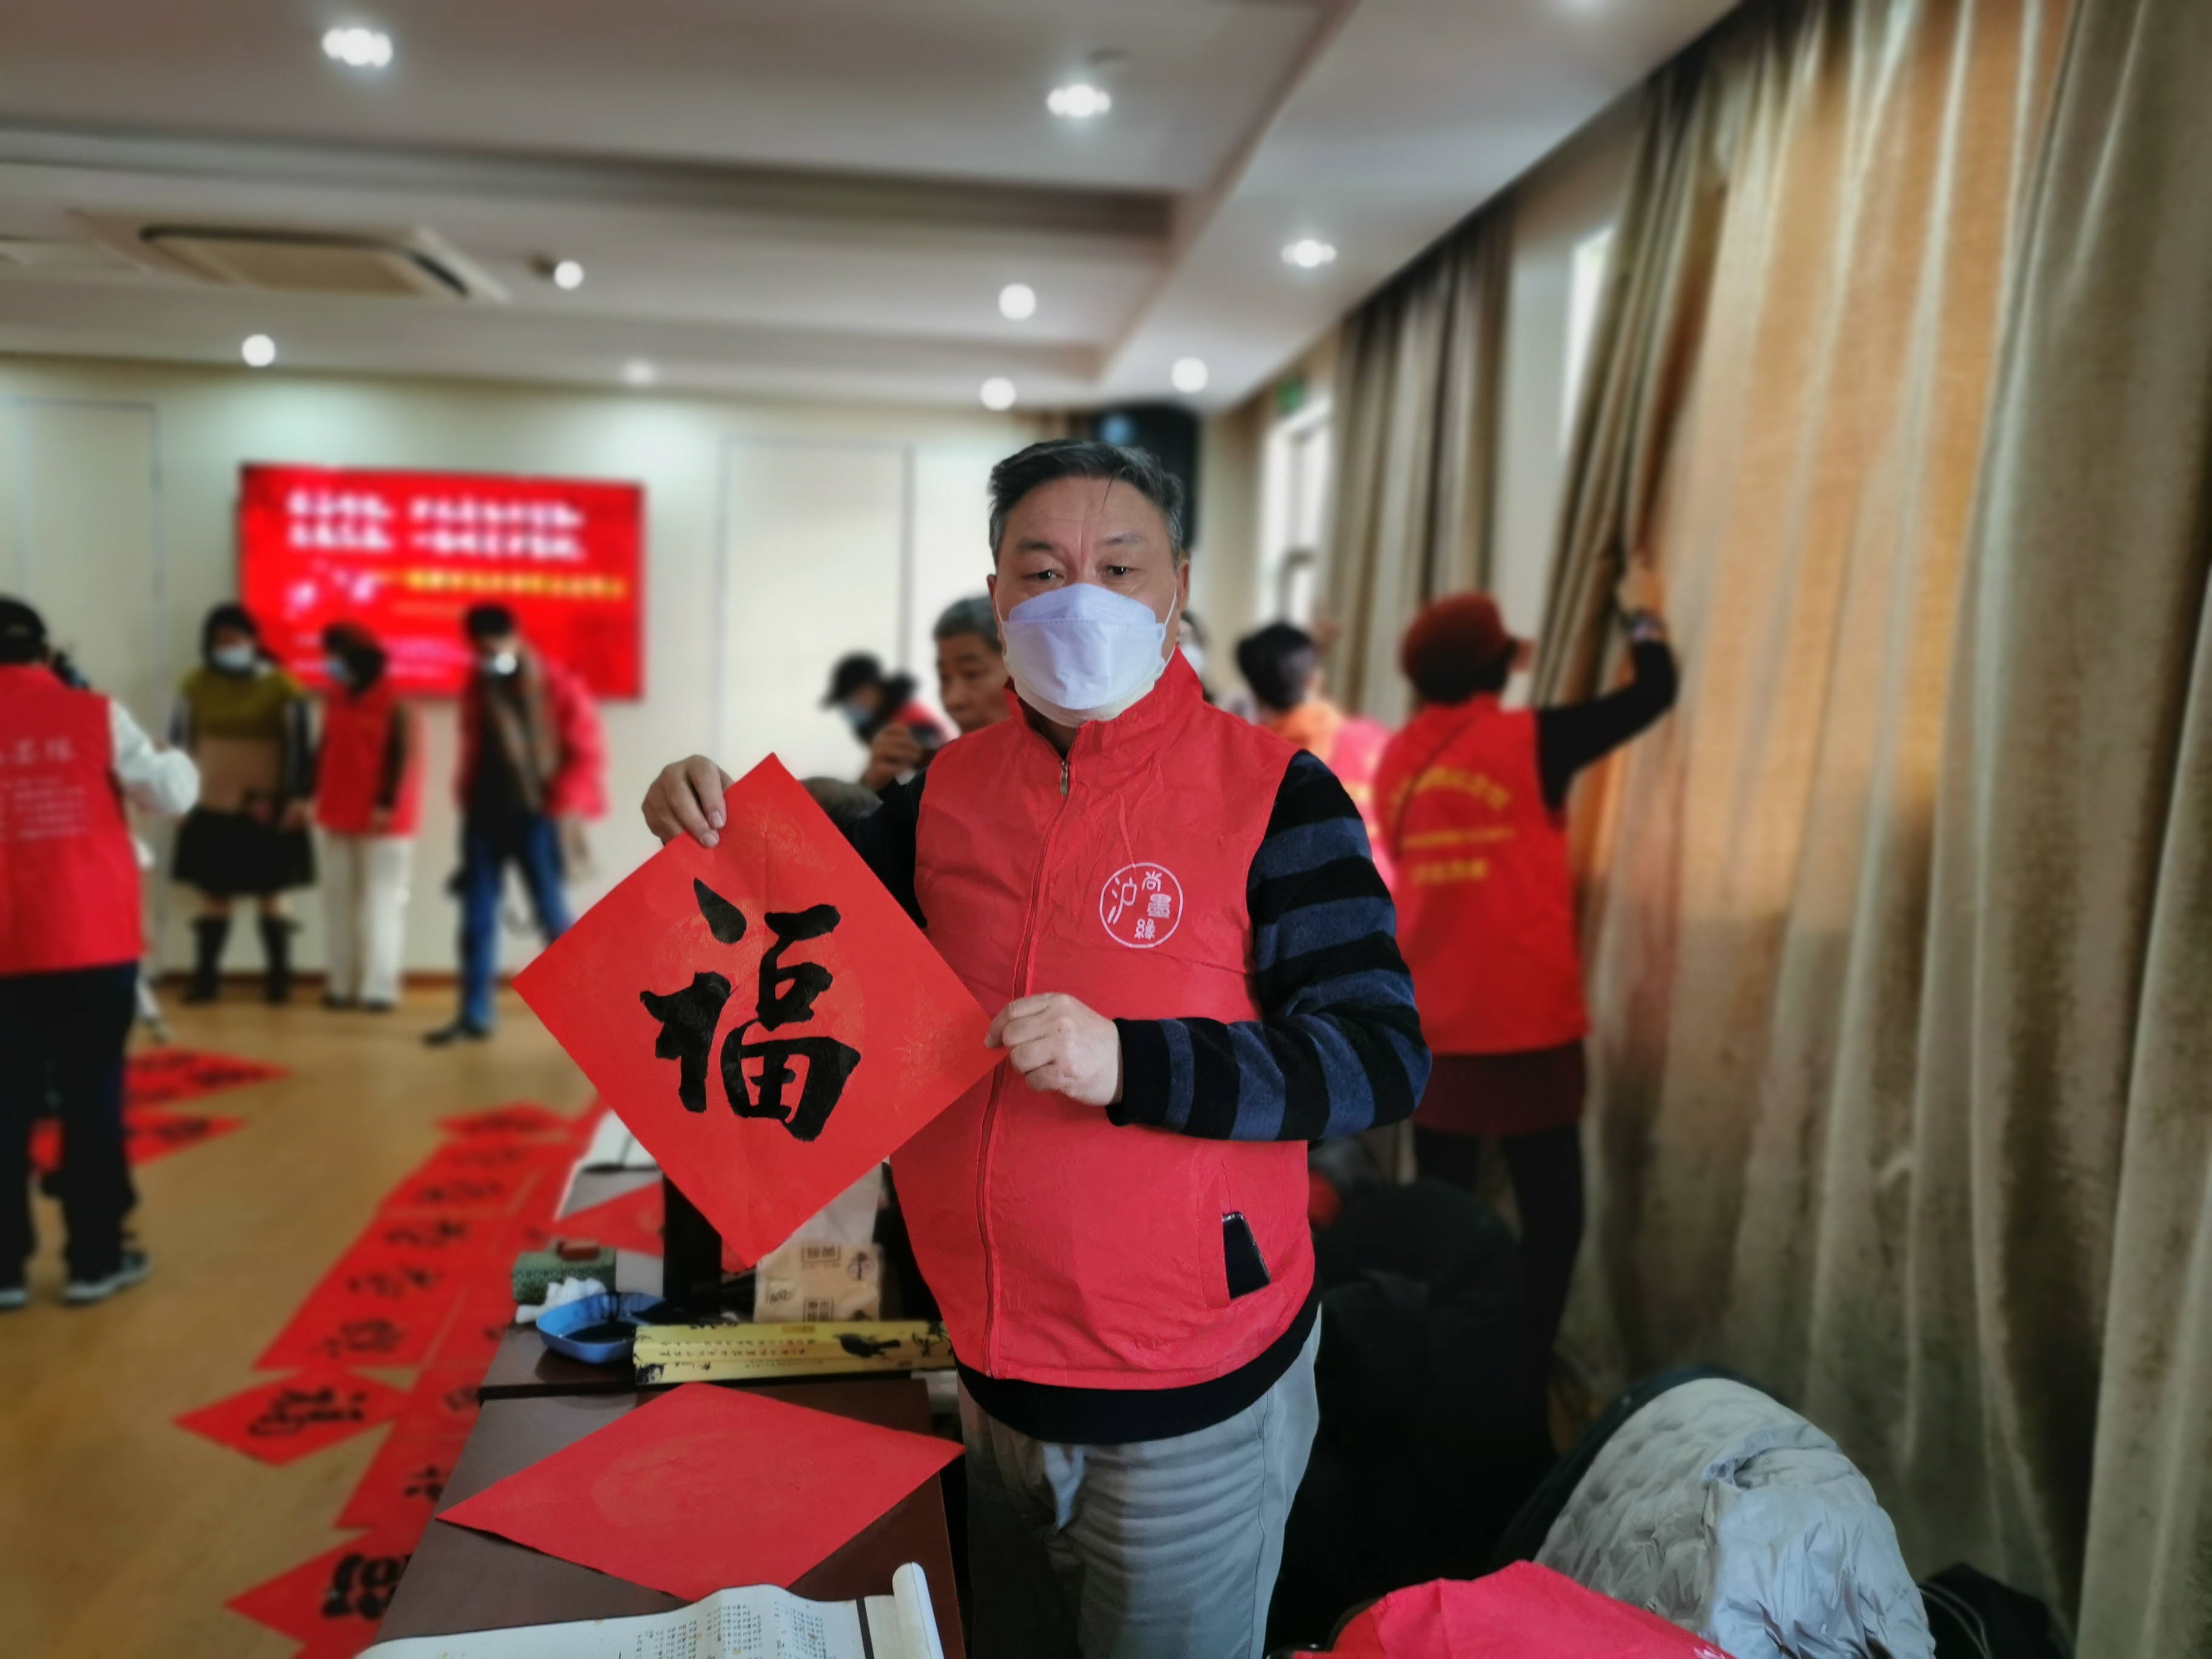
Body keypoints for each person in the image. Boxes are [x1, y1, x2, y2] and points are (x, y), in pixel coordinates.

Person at [646, 440, 1431, 1659]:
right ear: (999, 593)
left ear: (1178, 585)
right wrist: (708, 816)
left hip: (1185, 1395)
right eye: (1042, 569)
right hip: (984, 1369)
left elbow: (1379, 1057)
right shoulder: (942, 794)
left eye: (1118, 567)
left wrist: (1134, 1062)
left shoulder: (1276, 793)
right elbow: (797, 954)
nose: (1080, 600)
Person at [1372, 567, 1676, 1361]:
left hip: (1432, 1020)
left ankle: (1442, 1359)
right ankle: (1525, 1360)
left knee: (1443, 1211)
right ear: (1499, 666)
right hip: (1524, 1023)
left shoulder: (1398, 757)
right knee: (1552, 1212)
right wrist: (1643, 618)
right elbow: (1652, 695)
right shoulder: (1533, 741)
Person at [1, 598, 198, 1308]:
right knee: (91, 1098)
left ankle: (4, 1272)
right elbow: (171, 794)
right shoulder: (94, 714)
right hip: (88, 941)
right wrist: (164, 754)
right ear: (47, 653)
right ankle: (95, 1260)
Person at [425, 605, 606, 1045]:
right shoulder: (478, 684)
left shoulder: (557, 684)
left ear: (515, 636)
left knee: (552, 916)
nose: (489, 657)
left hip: (536, 818)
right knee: (476, 922)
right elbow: (474, 745)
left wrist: (557, 803)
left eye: (495, 648)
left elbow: (587, 753)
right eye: (480, 651)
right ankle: (475, 1015)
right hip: (483, 819)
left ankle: (598, 1016)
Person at [170, 603, 315, 1004]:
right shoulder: (194, 684)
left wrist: (299, 798)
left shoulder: (284, 686)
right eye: (219, 639)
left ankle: (279, 982)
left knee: (273, 893)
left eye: (235, 637)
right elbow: (179, 743)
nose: (227, 645)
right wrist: (176, 796)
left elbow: (301, 748)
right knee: (214, 892)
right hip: (211, 805)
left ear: (253, 640)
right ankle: (206, 980)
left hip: (268, 809)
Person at [313, 622, 423, 1013]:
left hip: (384, 823)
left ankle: (380, 988)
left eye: (335, 657)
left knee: (382, 905)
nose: (329, 664)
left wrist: (386, 803)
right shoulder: (335, 698)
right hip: (337, 814)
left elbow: (402, 758)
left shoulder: (396, 703)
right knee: (338, 903)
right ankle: (340, 985)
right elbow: (323, 751)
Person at [1236, 621, 1395, 886]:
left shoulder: (1257, 762)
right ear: (1315, 679)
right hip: (1384, 893)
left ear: (1255, 693)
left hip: (1312, 898)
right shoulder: (1375, 739)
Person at [862, 595, 1013, 784]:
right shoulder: (941, 777)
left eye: (972, 674)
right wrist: (877, 786)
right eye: (944, 678)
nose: (952, 700)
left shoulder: (1046, 777)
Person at [825, 651, 950, 791]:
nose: (848, 709)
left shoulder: (908, 727)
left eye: (851, 700)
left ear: (870, 690)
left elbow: (901, 786)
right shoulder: (889, 722)